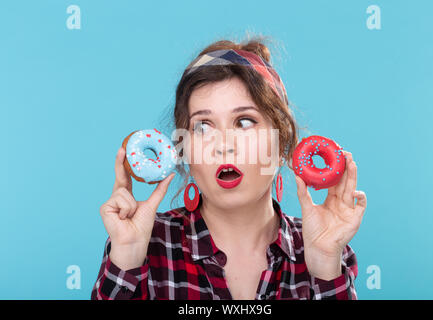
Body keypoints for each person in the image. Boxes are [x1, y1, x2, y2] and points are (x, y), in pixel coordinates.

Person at [91, 36, 367, 300]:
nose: (223, 145)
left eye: (244, 122)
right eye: (203, 126)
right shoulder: (148, 243)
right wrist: (126, 258)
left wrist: (324, 265)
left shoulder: (324, 248)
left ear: (282, 142)